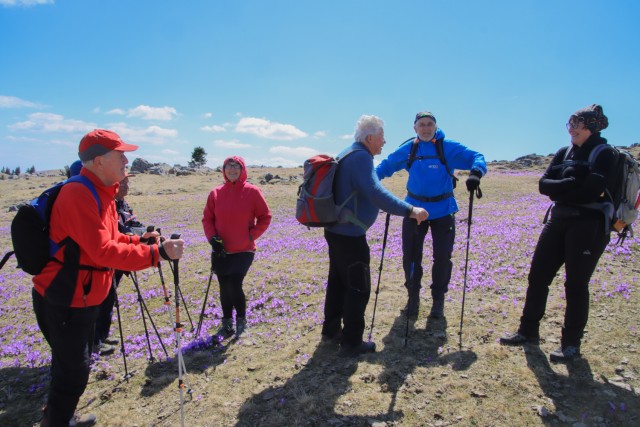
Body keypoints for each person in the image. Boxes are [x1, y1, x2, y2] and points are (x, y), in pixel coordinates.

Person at [32, 129, 184, 427]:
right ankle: (58, 421)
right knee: (73, 369)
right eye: (120, 154)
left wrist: (143, 243)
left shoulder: (99, 192)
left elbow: (113, 238)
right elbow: (102, 251)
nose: (127, 159)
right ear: (99, 160)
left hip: (82, 296)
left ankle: (59, 415)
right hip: (66, 296)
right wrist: (158, 254)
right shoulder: (78, 193)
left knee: (73, 365)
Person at [500, 104, 616, 362]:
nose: (572, 128)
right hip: (558, 220)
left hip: (588, 225)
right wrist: (571, 184)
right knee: (537, 276)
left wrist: (561, 188)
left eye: (578, 123)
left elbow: (591, 191)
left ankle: (571, 343)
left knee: (576, 284)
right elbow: (544, 185)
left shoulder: (605, 154)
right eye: (570, 123)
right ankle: (527, 330)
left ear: (592, 126)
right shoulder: (565, 152)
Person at [322, 115, 429, 357]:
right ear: (370, 137)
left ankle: (331, 331)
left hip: (336, 230)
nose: (384, 141)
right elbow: (375, 192)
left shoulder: (348, 152)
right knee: (358, 287)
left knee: (338, 282)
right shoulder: (360, 157)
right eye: (381, 137)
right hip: (350, 235)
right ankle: (351, 342)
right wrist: (410, 210)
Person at [375, 111, 487, 319]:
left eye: (430, 124)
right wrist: (369, 181)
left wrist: (476, 173)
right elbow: (387, 165)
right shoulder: (410, 149)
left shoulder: (447, 146)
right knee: (411, 257)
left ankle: (438, 301)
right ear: (414, 128)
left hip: (443, 210)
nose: (426, 128)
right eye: (422, 124)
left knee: (442, 257)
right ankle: (413, 298)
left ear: (435, 126)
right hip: (414, 210)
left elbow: (476, 157)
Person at [202, 156, 271, 340]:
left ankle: (241, 320)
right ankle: (226, 322)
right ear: (223, 170)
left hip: (244, 249)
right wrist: (212, 239)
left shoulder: (252, 191)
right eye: (228, 166)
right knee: (224, 285)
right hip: (221, 250)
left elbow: (265, 217)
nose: (232, 170)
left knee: (234, 283)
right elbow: (207, 219)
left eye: (236, 166)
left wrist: (251, 235)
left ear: (242, 170)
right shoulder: (215, 193)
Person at [93, 174, 145, 356]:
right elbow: (116, 232)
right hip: (109, 259)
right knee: (101, 298)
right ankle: (94, 340)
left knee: (109, 297)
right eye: (122, 182)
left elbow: (134, 224)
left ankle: (101, 335)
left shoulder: (122, 203)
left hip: (120, 258)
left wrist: (144, 234)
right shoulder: (106, 203)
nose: (126, 185)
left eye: (127, 182)